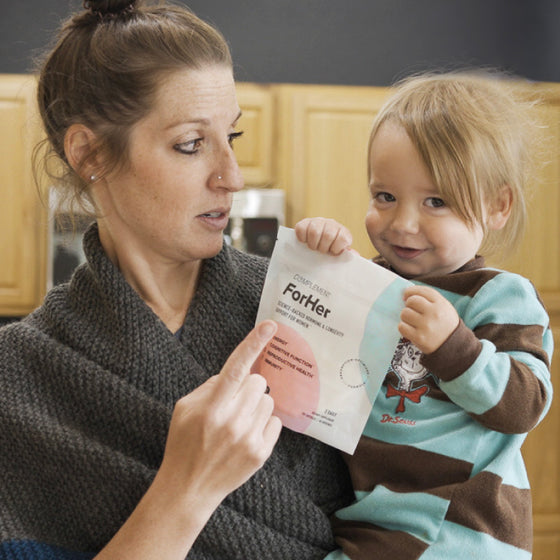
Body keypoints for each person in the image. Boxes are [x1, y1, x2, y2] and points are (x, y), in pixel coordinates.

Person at [0, 1, 354, 559]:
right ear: (89, 152)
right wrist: (186, 489)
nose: (231, 177)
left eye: (231, 137)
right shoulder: (15, 381)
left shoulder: (304, 306)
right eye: (191, 144)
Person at [296, 71, 553, 559]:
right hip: (375, 514)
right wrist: (319, 257)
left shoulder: (497, 296)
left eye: (436, 201)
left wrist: (456, 348)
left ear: (497, 206)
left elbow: (525, 405)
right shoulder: (370, 282)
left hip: (455, 524)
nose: (403, 223)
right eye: (384, 197)